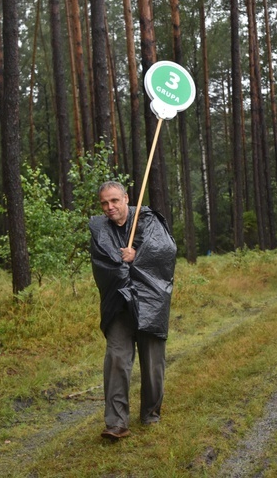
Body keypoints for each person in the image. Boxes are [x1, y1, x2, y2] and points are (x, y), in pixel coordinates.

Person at [89, 181, 177, 440]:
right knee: (116, 360)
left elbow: (166, 251)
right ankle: (116, 423)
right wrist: (122, 261)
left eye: (114, 200)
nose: (110, 207)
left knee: (153, 364)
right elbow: (104, 263)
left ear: (126, 198)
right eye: (105, 202)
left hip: (149, 301)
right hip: (118, 305)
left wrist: (136, 255)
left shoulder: (148, 219)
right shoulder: (99, 229)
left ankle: (150, 413)